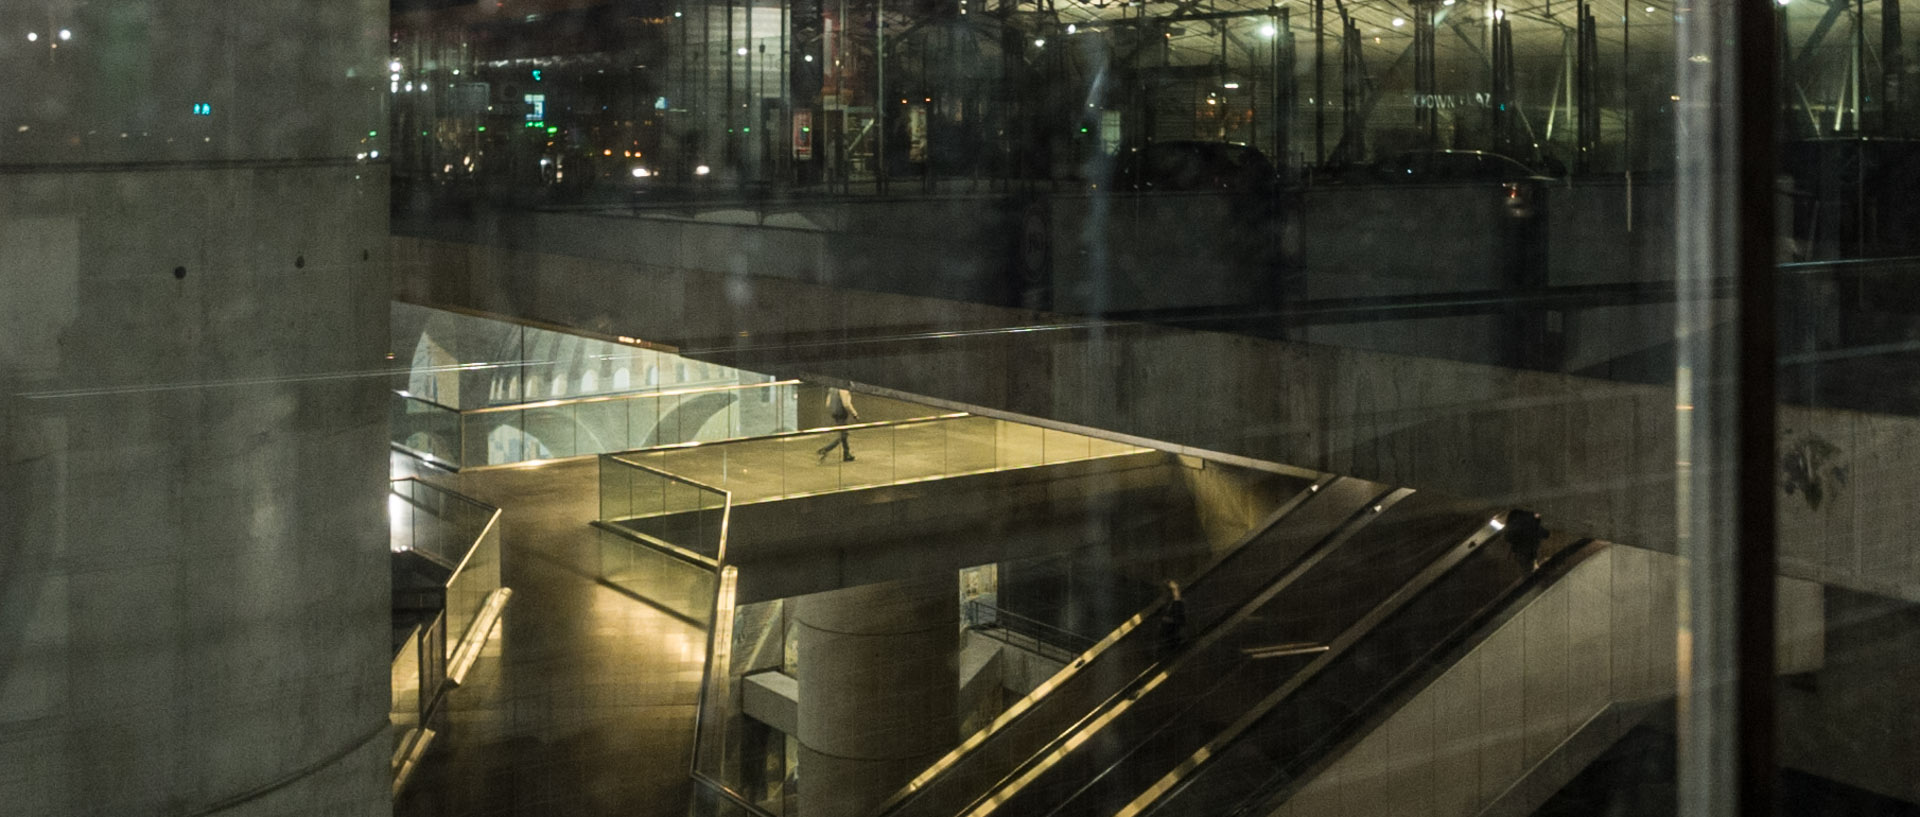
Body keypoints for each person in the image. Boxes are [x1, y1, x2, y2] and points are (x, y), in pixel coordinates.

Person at [815, 387, 859, 462]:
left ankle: (846, 453)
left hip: (835, 413)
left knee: (844, 434)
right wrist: (854, 414)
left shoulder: (832, 388)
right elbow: (846, 404)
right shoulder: (843, 389)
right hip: (841, 413)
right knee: (843, 435)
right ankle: (825, 449)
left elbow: (828, 403)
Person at [1158, 579, 1187, 657]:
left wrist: (1168, 620)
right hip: (1166, 639)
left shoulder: (1175, 604)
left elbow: (1181, 621)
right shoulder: (1167, 605)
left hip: (1172, 639)